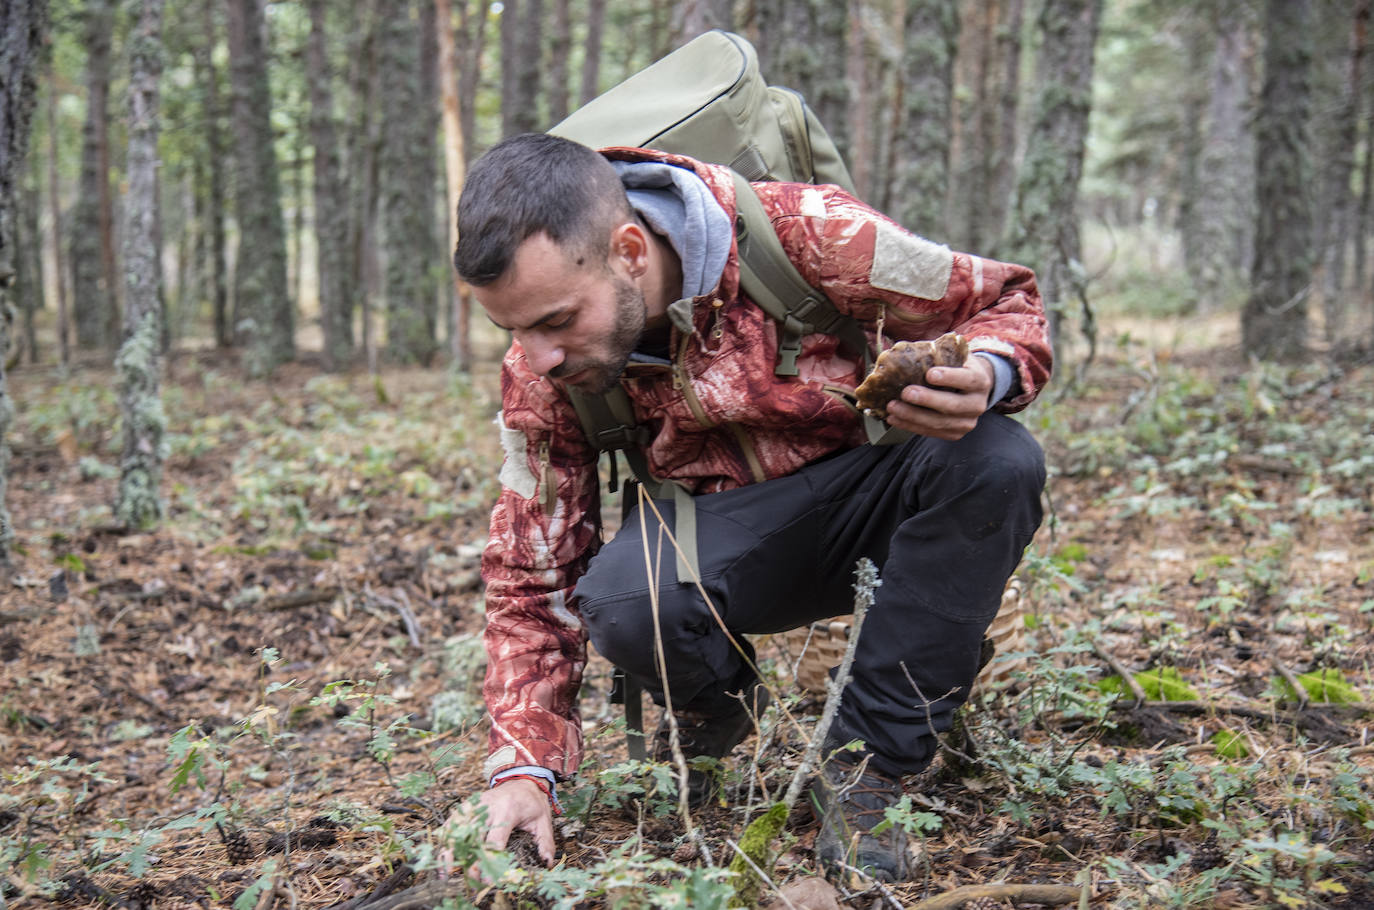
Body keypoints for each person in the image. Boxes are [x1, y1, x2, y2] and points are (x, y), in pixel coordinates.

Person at [452, 132, 1051, 882]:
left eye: (555, 320)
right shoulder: (543, 371)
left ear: (630, 250)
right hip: (723, 545)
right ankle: (717, 703)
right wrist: (522, 768)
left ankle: (869, 770)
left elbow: (1005, 299)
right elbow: (530, 568)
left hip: (874, 501)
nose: (536, 354)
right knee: (623, 602)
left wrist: (991, 372)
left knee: (997, 459)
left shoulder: (817, 233)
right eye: (512, 329)